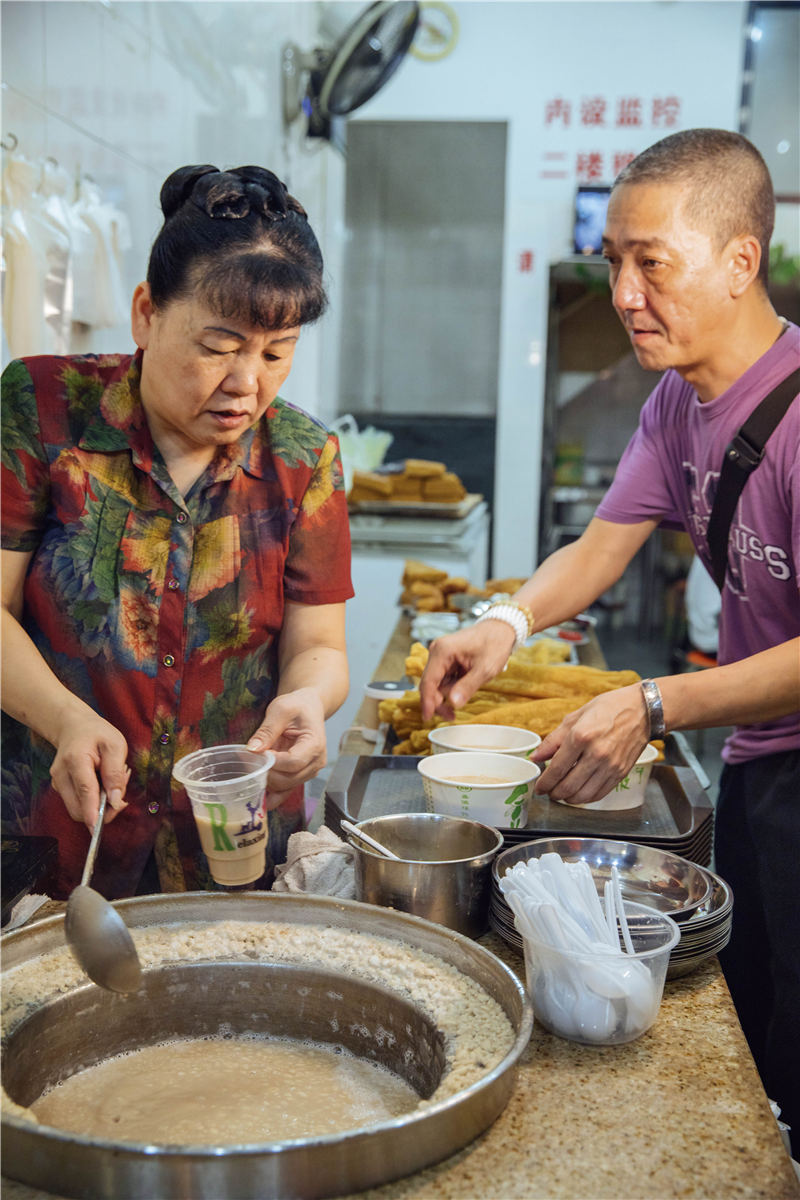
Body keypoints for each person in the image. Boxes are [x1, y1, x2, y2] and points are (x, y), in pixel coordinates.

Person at [420, 129, 799, 1150]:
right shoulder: (678, 402)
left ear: (737, 260)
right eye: (613, 263)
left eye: (651, 264)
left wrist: (652, 703)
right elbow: (599, 549)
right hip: (763, 763)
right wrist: (498, 624)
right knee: (756, 1032)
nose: (624, 292)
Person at [1, 164, 353, 899]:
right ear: (145, 313)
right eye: (219, 346)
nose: (246, 383)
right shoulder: (40, 411)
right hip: (63, 834)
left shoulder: (302, 459)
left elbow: (318, 647)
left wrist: (308, 703)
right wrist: (66, 719)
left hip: (230, 844)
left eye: (276, 353)